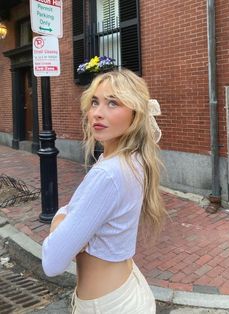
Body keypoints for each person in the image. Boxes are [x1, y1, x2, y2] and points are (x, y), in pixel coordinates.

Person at [42, 69, 166, 313]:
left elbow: (52, 262)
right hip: (127, 289)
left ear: (136, 114)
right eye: (95, 102)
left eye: (113, 103)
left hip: (107, 306)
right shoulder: (133, 158)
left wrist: (58, 220)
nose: (97, 113)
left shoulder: (109, 173)